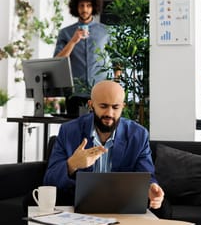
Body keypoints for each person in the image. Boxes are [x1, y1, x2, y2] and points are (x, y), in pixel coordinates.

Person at [43, 80, 164, 210]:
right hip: (76, 197)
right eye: (103, 106)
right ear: (91, 105)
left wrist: (151, 187)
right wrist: (72, 164)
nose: (109, 113)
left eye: (115, 107)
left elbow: (146, 175)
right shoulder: (68, 131)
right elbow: (49, 180)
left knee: (163, 208)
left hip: (122, 198)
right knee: (32, 200)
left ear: (123, 106)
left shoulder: (138, 135)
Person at [54, 0, 110, 115]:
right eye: (81, 5)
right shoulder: (65, 33)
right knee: (75, 132)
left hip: (100, 92)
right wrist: (73, 41)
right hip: (75, 93)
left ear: (93, 7)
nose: (85, 9)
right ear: (76, 8)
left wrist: (116, 86)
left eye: (88, 5)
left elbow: (118, 60)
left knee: (98, 132)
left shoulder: (106, 32)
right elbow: (58, 61)